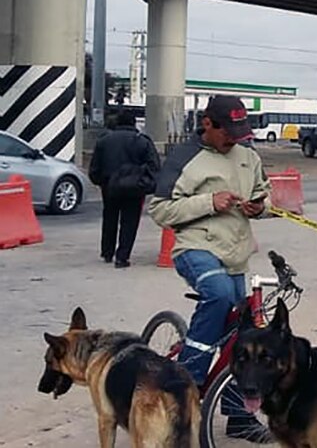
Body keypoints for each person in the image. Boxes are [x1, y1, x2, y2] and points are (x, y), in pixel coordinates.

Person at [149, 95, 272, 441]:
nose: (233, 138)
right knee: (217, 295)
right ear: (207, 124)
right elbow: (159, 210)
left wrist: (259, 207)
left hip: (236, 253)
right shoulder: (184, 159)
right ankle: (187, 382)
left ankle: (240, 417)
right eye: (227, 131)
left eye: (239, 130)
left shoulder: (249, 156)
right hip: (196, 248)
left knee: (244, 335)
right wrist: (209, 202)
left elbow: (267, 194)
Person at [88, 110, 160, 268]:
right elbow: (154, 166)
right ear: (134, 123)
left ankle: (107, 252)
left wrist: (101, 182)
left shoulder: (104, 140)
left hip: (109, 186)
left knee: (110, 218)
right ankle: (122, 257)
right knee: (130, 221)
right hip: (134, 187)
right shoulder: (143, 141)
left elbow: (94, 168)